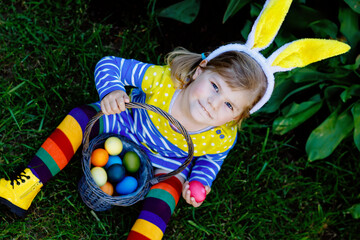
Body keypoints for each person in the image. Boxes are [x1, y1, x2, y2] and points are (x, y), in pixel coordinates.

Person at [0, 0, 350, 239]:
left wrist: (198, 184)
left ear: (240, 116)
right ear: (200, 69)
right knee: (80, 117)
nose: (214, 105)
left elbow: (211, 160)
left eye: (229, 105)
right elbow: (110, 64)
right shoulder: (164, 80)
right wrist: (111, 92)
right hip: (119, 126)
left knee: (166, 196)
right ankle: (26, 186)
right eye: (214, 86)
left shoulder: (222, 135)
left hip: (160, 170)